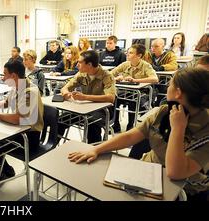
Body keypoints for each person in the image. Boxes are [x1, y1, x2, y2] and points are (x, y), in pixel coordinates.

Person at [69, 68, 209, 201]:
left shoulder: (205, 129)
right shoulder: (164, 111)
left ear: (178, 93)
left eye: (170, 84)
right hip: (148, 173)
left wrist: (178, 129)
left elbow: (175, 172)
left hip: (184, 188)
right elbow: (131, 136)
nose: (167, 88)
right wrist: (96, 149)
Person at [0, 60, 44, 182]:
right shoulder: (17, 87)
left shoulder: (30, 92)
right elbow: (6, 103)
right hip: (17, 130)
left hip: (29, 136)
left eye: (5, 74)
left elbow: (17, 118)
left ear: (13, 75)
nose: (3, 78)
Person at [58, 51, 116, 143]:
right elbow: (65, 87)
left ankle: (93, 151)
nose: (77, 65)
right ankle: (52, 146)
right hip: (83, 108)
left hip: (103, 111)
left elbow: (111, 98)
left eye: (80, 62)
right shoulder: (81, 74)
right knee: (60, 121)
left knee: (92, 125)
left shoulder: (107, 75)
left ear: (89, 64)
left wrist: (85, 97)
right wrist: (66, 93)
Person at [110, 44, 159, 132]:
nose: (127, 54)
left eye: (131, 53)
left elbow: (155, 79)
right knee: (114, 98)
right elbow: (109, 75)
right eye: (127, 52)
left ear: (139, 55)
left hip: (142, 92)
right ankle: (116, 124)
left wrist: (136, 80)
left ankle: (130, 125)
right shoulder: (125, 64)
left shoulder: (146, 65)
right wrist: (116, 78)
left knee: (133, 100)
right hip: (125, 91)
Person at [143, 38, 178, 106]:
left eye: (156, 46)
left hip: (163, 80)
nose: (153, 48)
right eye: (152, 46)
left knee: (162, 90)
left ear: (163, 46)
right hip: (150, 80)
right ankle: (147, 106)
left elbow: (174, 65)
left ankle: (158, 105)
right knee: (146, 91)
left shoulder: (170, 54)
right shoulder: (147, 54)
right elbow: (142, 63)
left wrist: (161, 67)